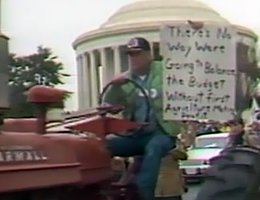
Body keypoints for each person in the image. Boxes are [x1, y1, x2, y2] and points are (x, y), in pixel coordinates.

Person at [102, 37, 184, 200]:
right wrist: (115, 85)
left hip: (162, 132)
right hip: (136, 135)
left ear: (149, 54)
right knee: (101, 146)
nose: (134, 59)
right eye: (130, 55)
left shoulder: (167, 71)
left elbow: (187, 74)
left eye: (138, 54)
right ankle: (103, 189)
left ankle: (144, 191)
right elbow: (109, 102)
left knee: (154, 149)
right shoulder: (125, 80)